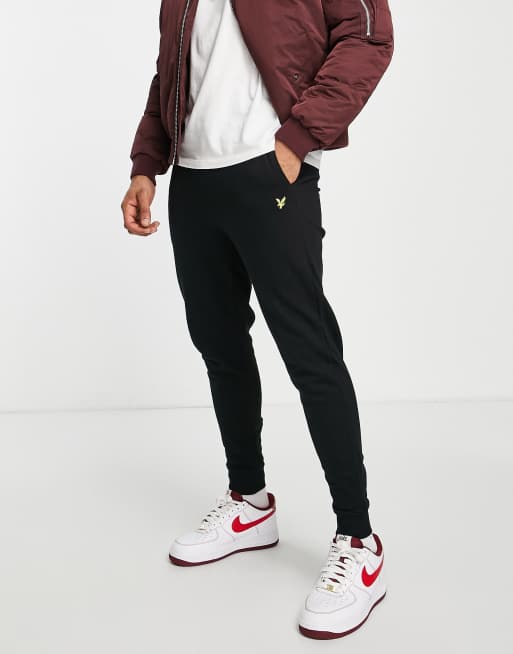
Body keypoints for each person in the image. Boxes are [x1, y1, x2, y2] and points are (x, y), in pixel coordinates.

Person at [121, 0, 394, 640]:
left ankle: (359, 541)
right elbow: (171, 71)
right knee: (219, 346)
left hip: (269, 170)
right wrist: (146, 164)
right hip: (194, 179)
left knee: (309, 351)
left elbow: (368, 34)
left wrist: (299, 138)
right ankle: (250, 502)